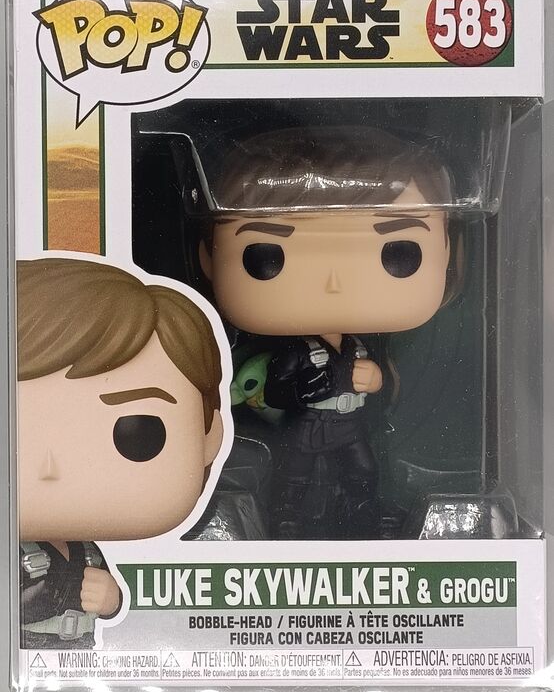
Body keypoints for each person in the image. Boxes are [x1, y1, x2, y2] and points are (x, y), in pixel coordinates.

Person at [198, 126, 455, 538]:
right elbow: (277, 393)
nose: (334, 282)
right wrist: (307, 389)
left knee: (362, 471)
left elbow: (389, 393)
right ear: (208, 258)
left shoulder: (360, 346)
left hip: (349, 425)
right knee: (294, 478)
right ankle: (287, 516)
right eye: (267, 255)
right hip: (307, 427)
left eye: (398, 252)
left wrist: (378, 380)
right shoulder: (298, 352)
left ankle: (363, 509)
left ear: (448, 251)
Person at [17, 258, 225, 647]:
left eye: (140, 433)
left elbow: (113, 605)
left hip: (81, 654)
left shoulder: (86, 549)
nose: (50, 468)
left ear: (209, 435)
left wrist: (112, 600)